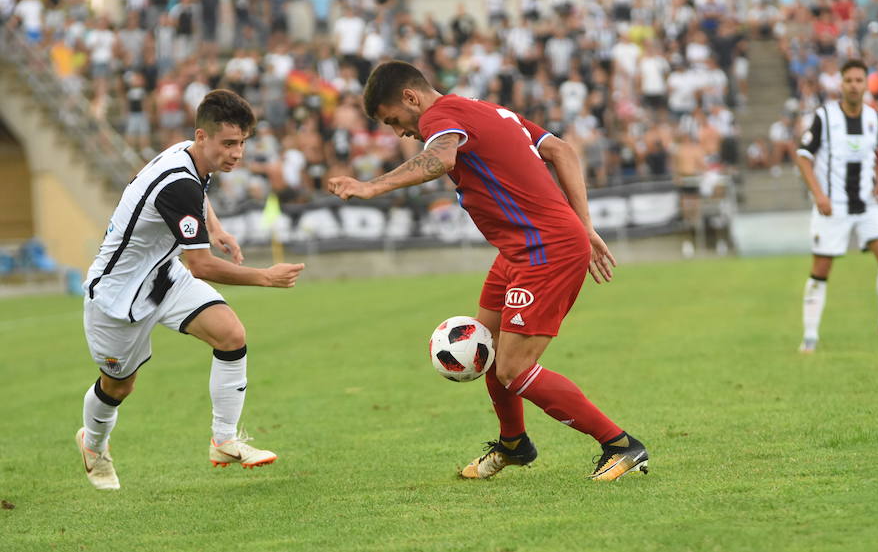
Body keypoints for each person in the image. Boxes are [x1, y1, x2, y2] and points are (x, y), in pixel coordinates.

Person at [328, 61, 649, 482]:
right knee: (487, 342)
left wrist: (371, 186)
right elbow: (561, 149)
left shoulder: (439, 118)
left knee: (513, 369)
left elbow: (440, 158)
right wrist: (583, 224)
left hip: (543, 248)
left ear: (411, 98)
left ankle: (621, 444)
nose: (400, 132)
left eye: (394, 121)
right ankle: (514, 444)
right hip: (519, 249)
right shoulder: (487, 110)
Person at [77, 90, 305, 490]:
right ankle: (93, 445)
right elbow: (199, 265)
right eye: (229, 144)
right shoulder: (178, 182)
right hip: (118, 297)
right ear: (203, 136)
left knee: (231, 335)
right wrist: (266, 277)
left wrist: (214, 228)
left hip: (162, 276)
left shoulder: (192, 155)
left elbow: (197, 196)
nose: (237, 153)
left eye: (242, 143)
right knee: (119, 385)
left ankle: (224, 440)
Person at [795, 59, 878, 353]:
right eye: (849, 80)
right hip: (833, 206)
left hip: (866, 204)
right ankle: (810, 334)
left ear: (867, 84)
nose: (854, 85)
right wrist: (819, 195)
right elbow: (803, 156)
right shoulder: (825, 117)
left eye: (859, 80)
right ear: (840, 84)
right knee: (821, 268)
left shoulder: (876, 119)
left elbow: (877, 154)